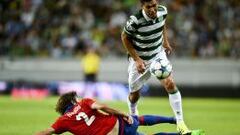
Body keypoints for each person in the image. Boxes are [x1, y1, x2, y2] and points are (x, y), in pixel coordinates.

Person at [121, 0, 194, 134]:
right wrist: (137, 60)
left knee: (170, 83)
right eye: (148, 7)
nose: (153, 9)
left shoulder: (163, 11)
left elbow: (162, 25)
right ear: (142, 6)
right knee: (134, 95)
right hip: (140, 59)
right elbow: (124, 37)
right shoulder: (135, 20)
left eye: (154, 5)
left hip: (157, 55)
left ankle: (180, 122)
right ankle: (133, 113)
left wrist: (165, 42)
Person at [35, 91, 201, 135]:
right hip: (117, 125)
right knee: (138, 119)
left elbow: (47, 131)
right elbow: (103, 107)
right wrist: (122, 113)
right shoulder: (84, 102)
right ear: (72, 101)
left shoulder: (63, 121)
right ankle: (175, 120)